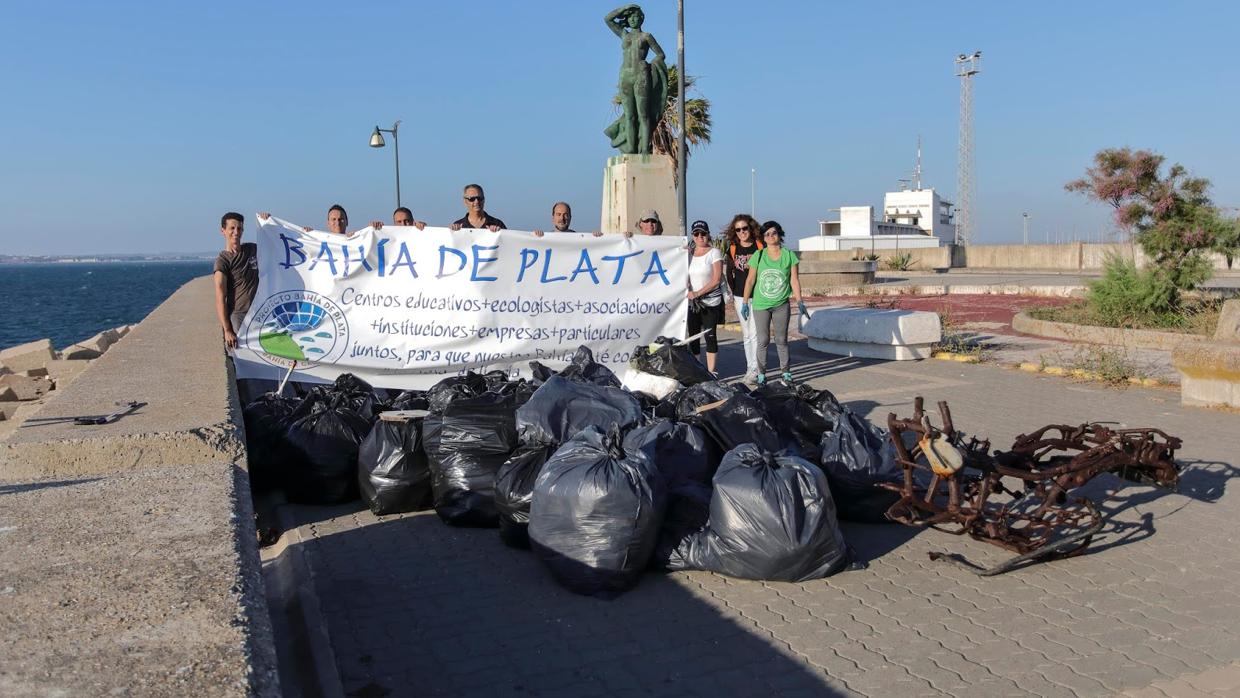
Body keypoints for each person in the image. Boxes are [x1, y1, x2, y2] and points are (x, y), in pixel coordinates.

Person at [740, 220, 808, 385]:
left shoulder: (789, 255)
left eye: (773, 233)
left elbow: (794, 280)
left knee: (781, 340)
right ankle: (761, 374)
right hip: (761, 305)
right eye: (767, 234)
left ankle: (786, 373)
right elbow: (750, 280)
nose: (770, 236)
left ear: (779, 234)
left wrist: (799, 301)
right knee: (762, 340)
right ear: (763, 238)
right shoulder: (759, 255)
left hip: (781, 305)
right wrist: (744, 302)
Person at [723, 214, 764, 385]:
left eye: (745, 228)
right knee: (747, 334)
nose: (742, 232)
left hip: (759, 296)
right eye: (738, 229)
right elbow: (729, 273)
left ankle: (756, 369)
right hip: (741, 297)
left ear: (751, 228)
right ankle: (750, 368)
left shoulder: (760, 246)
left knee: (755, 333)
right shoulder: (733, 248)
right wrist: (733, 293)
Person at [213, 212, 258, 349]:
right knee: (241, 357)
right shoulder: (223, 260)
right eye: (232, 228)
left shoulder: (252, 249)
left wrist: (304, 235)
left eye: (239, 228)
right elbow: (220, 295)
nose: (236, 232)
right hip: (238, 316)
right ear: (223, 231)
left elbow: (277, 245)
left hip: (259, 313)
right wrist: (227, 330)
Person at [686, 220, 724, 375]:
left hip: (710, 302)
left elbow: (716, 279)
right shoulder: (688, 253)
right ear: (693, 236)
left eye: (703, 233)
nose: (700, 236)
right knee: (693, 337)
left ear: (708, 234)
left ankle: (711, 371)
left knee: (710, 336)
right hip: (692, 304)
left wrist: (698, 293)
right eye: (696, 234)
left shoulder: (715, 252)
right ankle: (697, 371)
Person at [533, 202, 603, 237]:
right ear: (553, 217)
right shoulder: (545, 238)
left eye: (565, 215)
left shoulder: (580, 239)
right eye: (558, 214)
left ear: (570, 217)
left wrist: (597, 238)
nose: (562, 218)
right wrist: (534, 238)